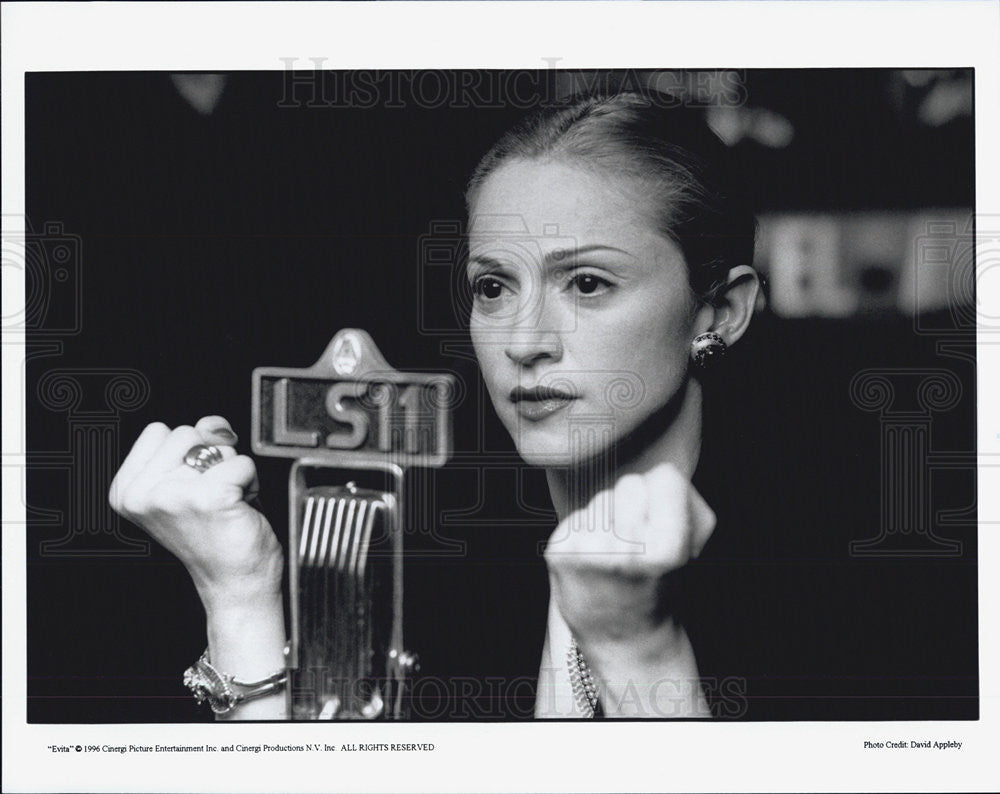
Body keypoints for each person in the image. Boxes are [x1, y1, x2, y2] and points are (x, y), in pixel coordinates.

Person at [109, 91, 761, 720]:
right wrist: (238, 595)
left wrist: (640, 654)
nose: (526, 342)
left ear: (720, 312)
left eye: (587, 283)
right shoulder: (417, 570)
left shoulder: (826, 588)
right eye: (494, 287)